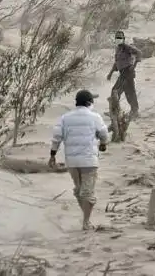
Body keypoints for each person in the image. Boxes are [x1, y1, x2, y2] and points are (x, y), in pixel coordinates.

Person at [48, 90, 109, 231]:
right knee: (87, 192)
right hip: (89, 161)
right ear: (89, 103)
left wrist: (52, 155)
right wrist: (104, 143)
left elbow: (56, 137)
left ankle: (86, 217)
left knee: (80, 190)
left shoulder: (65, 118)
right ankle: (86, 222)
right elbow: (104, 134)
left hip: (72, 162)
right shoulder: (95, 117)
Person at [107, 30, 141, 118]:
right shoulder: (118, 48)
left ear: (123, 38)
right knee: (127, 92)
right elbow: (117, 62)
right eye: (117, 38)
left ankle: (117, 111)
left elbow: (139, 53)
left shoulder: (127, 47)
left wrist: (134, 65)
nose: (118, 39)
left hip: (128, 72)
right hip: (122, 72)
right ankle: (132, 111)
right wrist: (110, 73)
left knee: (118, 91)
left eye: (120, 38)